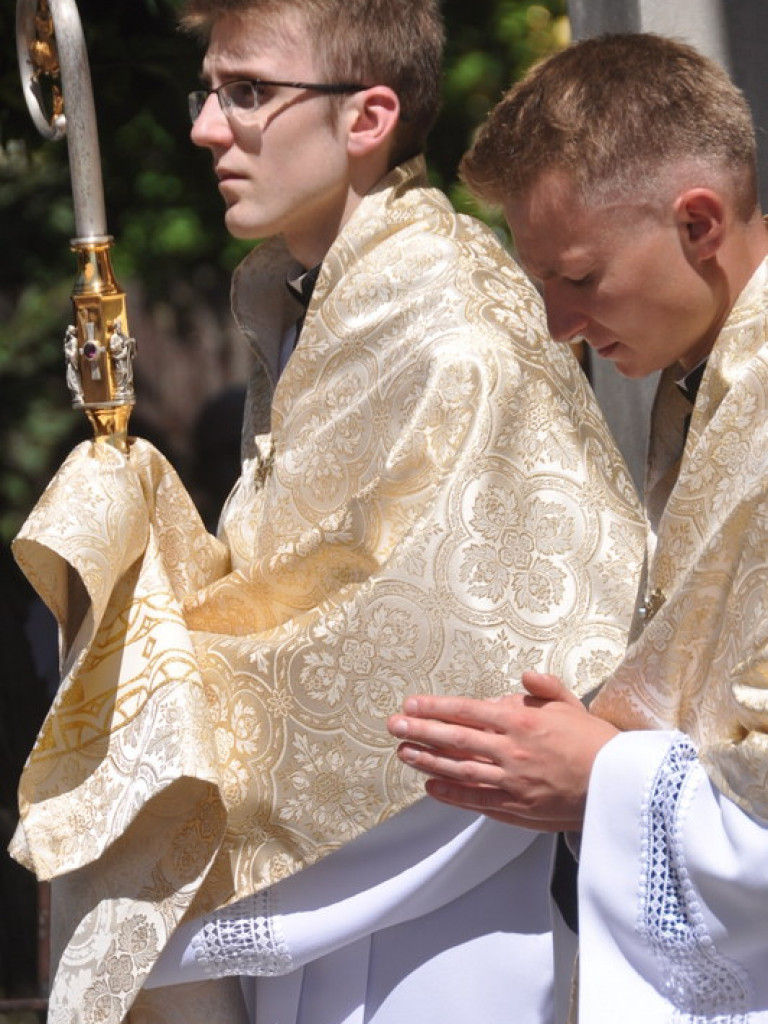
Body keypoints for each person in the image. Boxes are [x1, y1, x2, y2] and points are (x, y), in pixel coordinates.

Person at [9, 5, 644, 1023]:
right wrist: (135, 527)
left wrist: (160, 695)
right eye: (208, 92)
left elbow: (478, 650)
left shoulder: (455, 328)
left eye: (250, 94)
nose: (208, 128)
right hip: (326, 917)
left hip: (439, 931)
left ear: (368, 117)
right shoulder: (311, 304)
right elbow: (292, 599)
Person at [387, 32, 768, 1024]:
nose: (557, 326)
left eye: (580, 278)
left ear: (698, 224)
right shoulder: (709, 388)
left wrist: (600, 773)